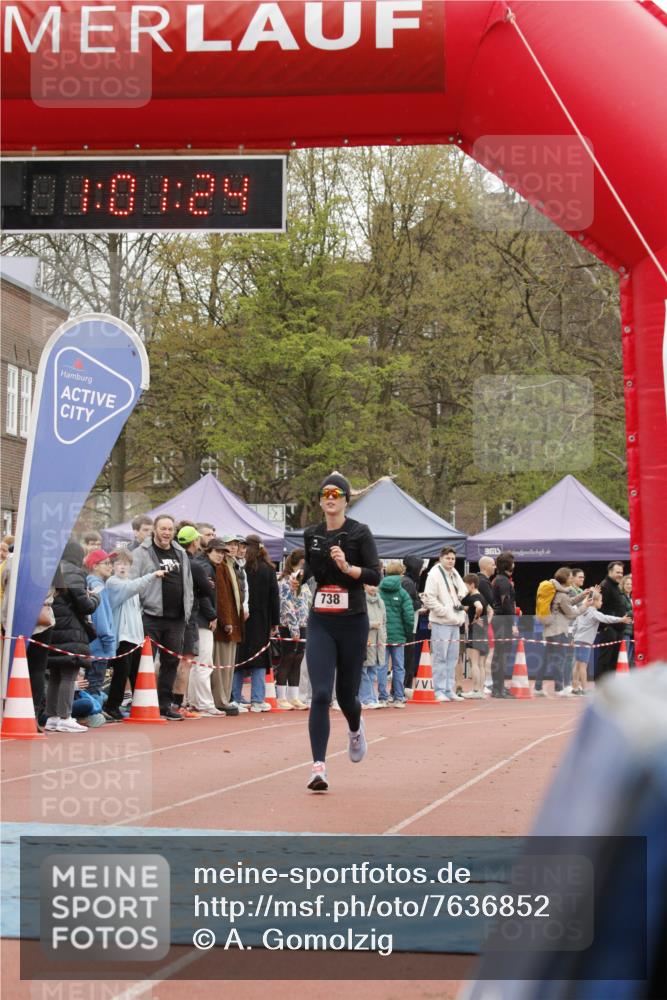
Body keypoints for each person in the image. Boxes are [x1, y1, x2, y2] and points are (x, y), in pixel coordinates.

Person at [302, 472, 381, 792]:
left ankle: (354, 729)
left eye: (337, 493)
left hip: (352, 620)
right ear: (321, 501)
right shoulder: (312, 533)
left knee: (347, 697)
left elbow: (375, 575)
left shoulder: (359, 533)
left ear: (346, 500)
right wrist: (298, 575)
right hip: (321, 619)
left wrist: (348, 568)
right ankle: (318, 767)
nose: (330, 497)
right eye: (325, 493)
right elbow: (312, 567)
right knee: (321, 694)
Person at [131, 514, 193, 721]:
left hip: (176, 618)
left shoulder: (181, 553)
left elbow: (188, 582)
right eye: (163, 529)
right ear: (155, 530)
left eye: (169, 529)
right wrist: (140, 607)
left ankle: (164, 704)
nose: (166, 533)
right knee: (145, 660)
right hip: (151, 615)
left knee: (171, 662)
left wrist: (188, 607)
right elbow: (133, 581)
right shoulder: (141, 553)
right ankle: (139, 701)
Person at [45, 541, 100, 733]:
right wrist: (95, 597)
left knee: (55, 675)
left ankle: (52, 716)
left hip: (53, 627)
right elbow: (84, 605)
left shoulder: (53, 569)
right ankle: (65, 717)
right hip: (71, 629)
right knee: (69, 673)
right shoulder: (75, 572)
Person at [106, 548, 165, 719]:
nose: (122, 567)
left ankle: (139, 704)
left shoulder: (130, 584)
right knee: (121, 672)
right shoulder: (113, 583)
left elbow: (135, 600)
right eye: (118, 563)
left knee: (135, 673)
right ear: (113, 566)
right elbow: (132, 587)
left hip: (135, 637)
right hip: (122, 637)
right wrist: (152, 575)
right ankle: (112, 706)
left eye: (125, 564)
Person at [232, 535, 280, 712]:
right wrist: (275, 622)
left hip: (241, 618)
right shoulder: (268, 569)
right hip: (261, 619)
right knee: (259, 659)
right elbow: (274, 598)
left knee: (238, 658)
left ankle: (235, 697)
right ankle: (258, 699)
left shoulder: (239, 568)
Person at [535, 568, 591, 697]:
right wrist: (585, 606)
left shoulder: (557, 591)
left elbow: (568, 602)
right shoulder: (562, 594)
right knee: (559, 660)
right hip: (559, 631)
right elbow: (571, 613)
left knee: (546, 659)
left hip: (549, 631)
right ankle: (560, 689)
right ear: (565, 579)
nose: (572, 579)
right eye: (571, 577)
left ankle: (537, 687)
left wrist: (582, 596)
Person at [423, 547, 468, 703]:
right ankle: (439, 689)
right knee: (440, 656)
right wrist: (443, 611)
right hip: (441, 621)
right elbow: (429, 598)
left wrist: (457, 607)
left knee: (452, 657)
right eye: (448, 558)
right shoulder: (434, 575)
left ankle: (449, 689)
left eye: (453, 559)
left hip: (455, 621)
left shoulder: (454, 573)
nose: (451, 561)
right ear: (441, 558)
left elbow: (462, 590)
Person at [189, 538, 227, 716]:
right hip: (201, 620)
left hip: (196, 618)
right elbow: (202, 594)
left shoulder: (205, 565)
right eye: (218, 551)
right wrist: (212, 615)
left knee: (196, 663)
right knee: (204, 663)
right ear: (208, 550)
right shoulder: (205, 567)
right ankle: (204, 703)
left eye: (223, 552)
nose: (221, 555)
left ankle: (194, 702)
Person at [170, 525, 205, 719]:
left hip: (173, 617)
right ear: (194, 542)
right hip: (189, 617)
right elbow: (208, 589)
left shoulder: (173, 560)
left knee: (170, 660)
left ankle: (167, 701)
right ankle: (177, 704)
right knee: (186, 662)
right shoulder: (194, 565)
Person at [572, 590, 630, 694]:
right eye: (600, 601)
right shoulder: (593, 613)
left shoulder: (582, 610)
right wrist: (621, 619)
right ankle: (585, 689)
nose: (602, 603)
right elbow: (606, 618)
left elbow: (575, 624)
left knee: (577, 664)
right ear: (594, 601)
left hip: (578, 640)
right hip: (585, 641)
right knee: (583, 666)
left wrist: (573, 637)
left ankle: (575, 687)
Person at [214, 539, 245, 713]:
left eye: (236, 545)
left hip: (234, 622)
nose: (233, 548)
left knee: (228, 665)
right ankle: (221, 699)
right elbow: (222, 597)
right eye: (229, 545)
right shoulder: (221, 567)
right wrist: (226, 621)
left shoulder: (234, 566)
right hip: (225, 625)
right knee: (221, 664)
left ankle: (226, 697)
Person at [276, 550, 310, 710]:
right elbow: (286, 604)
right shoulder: (285, 580)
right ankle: (281, 696)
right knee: (287, 658)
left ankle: (294, 696)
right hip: (288, 625)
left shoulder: (303, 581)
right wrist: (293, 627)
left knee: (298, 659)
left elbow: (305, 603)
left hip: (303, 624)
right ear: (301, 562)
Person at [378, 561, 414, 708]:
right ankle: (399, 697)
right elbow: (408, 616)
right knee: (399, 667)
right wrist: (408, 632)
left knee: (382, 666)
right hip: (398, 635)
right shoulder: (402, 593)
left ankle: (382, 697)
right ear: (401, 574)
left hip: (381, 634)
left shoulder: (378, 590)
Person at [84, 549, 117, 697]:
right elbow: (101, 618)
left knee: (89, 684)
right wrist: (109, 642)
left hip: (91, 644)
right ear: (95, 566)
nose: (110, 566)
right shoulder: (98, 586)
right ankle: (92, 715)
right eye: (106, 563)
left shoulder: (89, 583)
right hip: (99, 646)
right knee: (94, 685)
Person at [490, 551, 517, 698]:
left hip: (499, 619)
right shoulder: (503, 581)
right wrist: (512, 623)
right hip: (502, 620)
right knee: (501, 655)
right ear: (508, 564)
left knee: (500, 655)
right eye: (513, 562)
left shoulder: (499, 579)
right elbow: (506, 602)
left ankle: (498, 687)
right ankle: (498, 688)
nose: (515, 564)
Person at [595, 561, 627, 678]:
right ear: (610, 572)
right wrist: (606, 627)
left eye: (621, 572)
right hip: (609, 629)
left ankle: (609, 687)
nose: (620, 574)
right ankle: (600, 687)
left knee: (613, 661)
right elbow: (599, 608)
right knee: (605, 660)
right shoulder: (605, 586)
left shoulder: (615, 586)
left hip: (618, 629)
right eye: (617, 572)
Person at [360, 582, 387, 709]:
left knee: (373, 670)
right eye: (370, 585)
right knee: (363, 670)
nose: (373, 587)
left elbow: (384, 621)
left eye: (375, 585)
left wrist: (384, 636)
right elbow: (358, 620)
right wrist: (371, 624)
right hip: (366, 639)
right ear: (364, 586)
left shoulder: (381, 602)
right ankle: (365, 698)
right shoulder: (361, 600)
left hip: (378, 640)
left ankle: (371, 696)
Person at [461, 573, 487, 699]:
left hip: (475, 631)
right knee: (481, 664)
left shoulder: (474, 597)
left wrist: (476, 617)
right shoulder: (482, 596)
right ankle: (480, 690)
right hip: (483, 631)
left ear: (471, 585)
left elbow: (479, 607)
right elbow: (490, 610)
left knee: (474, 663)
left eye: (464, 585)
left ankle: (475, 690)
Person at [401, 556, 423, 696]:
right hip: (408, 626)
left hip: (409, 625)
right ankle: (404, 687)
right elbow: (408, 604)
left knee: (406, 658)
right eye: (420, 568)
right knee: (407, 658)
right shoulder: (408, 583)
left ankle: (403, 687)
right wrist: (420, 602)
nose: (421, 572)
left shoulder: (409, 582)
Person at [476, 556, 495, 693]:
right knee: (487, 653)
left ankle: (485, 682)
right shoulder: (483, 582)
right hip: (484, 622)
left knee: (485, 654)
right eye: (493, 565)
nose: (495, 567)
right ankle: (486, 682)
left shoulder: (481, 581)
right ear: (485, 567)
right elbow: (490, 602)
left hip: (484, 621)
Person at [620, 574, 634, 665]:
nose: (629, 586)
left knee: (630, 657)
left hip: (632, 630)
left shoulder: (631, 598)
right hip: (625, 630)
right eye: (627, 584)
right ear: (623, 585)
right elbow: (622, 613)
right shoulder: (622, 597)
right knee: (625, 657)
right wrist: (636, 610)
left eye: (631, 584)